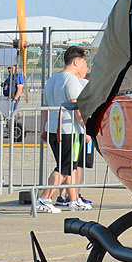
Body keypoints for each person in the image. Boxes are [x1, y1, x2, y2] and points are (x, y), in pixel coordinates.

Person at [37, 47, 90, 213]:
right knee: (64, 166)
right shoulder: (71, 80)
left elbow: (46, 107)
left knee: (70, 166)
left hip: (54, 128)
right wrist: (85, 127)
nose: (84, 66)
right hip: (68, 129)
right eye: (83, 62)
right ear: (76, 62)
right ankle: (44, 198)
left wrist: (44, 127)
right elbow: (76, 106)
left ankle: (73, 200)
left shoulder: (53, 78)